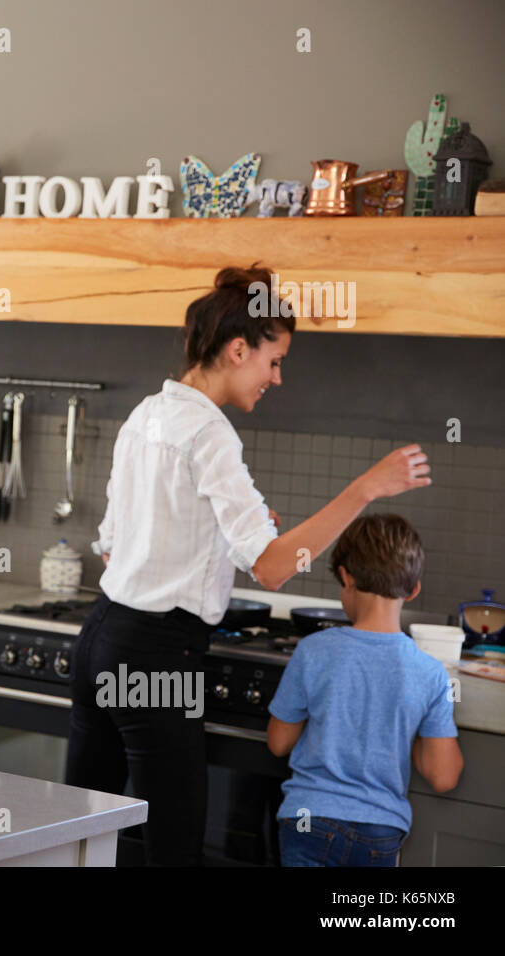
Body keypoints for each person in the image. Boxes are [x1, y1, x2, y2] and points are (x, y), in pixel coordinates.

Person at [64, 264, 432, 865]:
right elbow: (272, 571)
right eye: (274, 360)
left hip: (101, 638)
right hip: (159, 655)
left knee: (77, 836)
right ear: (239, 349)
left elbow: (114, 544)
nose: (277, 377)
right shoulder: (211, 433)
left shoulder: (146, 416)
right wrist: (365, 488)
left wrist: (218, 535)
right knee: (175, 845)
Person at [269, 514, 462, 866]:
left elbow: (279, 742)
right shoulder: (431, 674)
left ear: (346, 577)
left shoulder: (313, 650)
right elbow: (443, 776)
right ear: (414, 588)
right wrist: (407, 722)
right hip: (380, 829)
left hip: (307, 819)